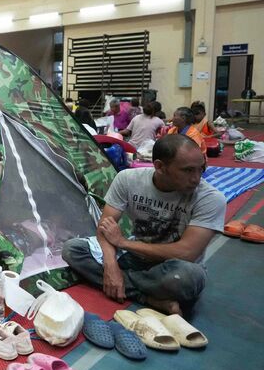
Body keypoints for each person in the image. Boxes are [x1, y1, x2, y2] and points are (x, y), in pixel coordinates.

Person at [62, 135, 225, 315]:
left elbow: (186, 253)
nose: (196, 178)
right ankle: (149, 298)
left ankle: (128, 287)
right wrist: (111, 266)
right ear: (160, 167)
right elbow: (104, 227)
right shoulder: (128, 179)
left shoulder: (210, 198)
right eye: (187, 171)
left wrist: (123, 243)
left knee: (185, 278)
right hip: (135, 259)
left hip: (174, 265)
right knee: (73, 250)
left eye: (201, 169)